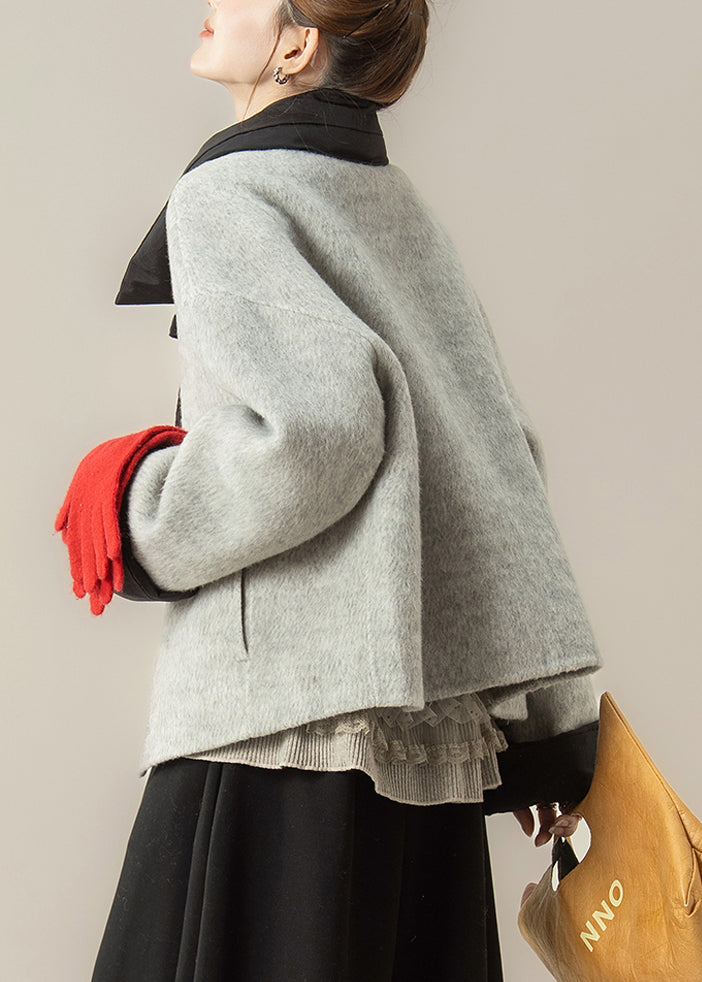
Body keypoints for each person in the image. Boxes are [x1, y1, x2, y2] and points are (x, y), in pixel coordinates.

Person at [54, 0, 604, 979]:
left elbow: (320, 431)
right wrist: (550, 727)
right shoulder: (396, 204)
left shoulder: (225, 194)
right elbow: (500, 455)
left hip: (275, 734)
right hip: (424, 754)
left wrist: (139, 506)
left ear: (299, 43)